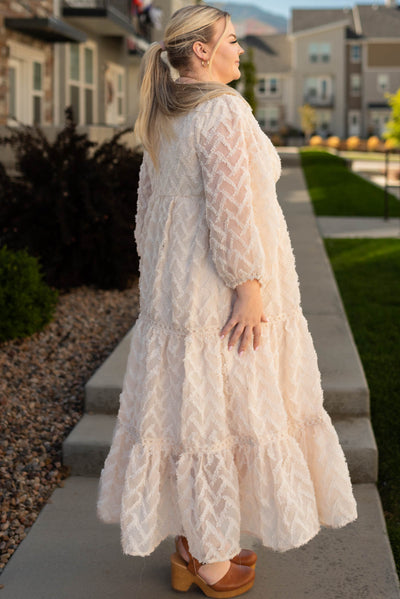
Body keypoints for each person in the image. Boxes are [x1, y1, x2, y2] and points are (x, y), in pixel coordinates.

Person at [97, 5, 358, 597]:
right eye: (233, 42)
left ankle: (196, 541)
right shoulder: (222, 110)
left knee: (195, 412)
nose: (241, 51)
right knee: (222, 411)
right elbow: (231, 206)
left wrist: (157, 279)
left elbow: (147, 215)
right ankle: (209, 557)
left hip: (178, 287)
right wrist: (249, 288)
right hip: (218, 289)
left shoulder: (167, 113)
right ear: (200, 52)